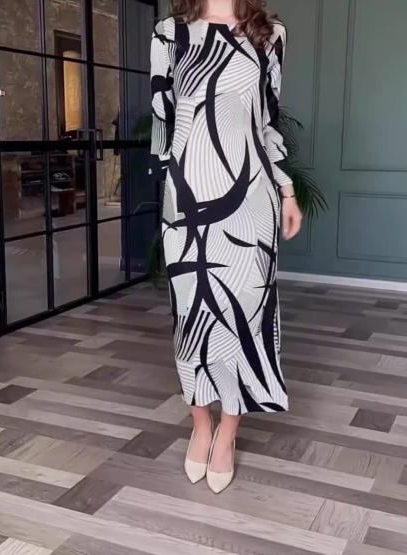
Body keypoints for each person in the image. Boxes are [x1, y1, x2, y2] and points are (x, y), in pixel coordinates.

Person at [149, 0, 302, 493]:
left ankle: (229, 431)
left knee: (245, 314)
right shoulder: (170, 33)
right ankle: (200, 424)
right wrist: (169, 197)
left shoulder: (269, 34)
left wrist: (287, 191)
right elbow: (163, 122)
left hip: (250, 197)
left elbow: (267, 122)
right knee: (191, 315)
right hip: (187, 200)